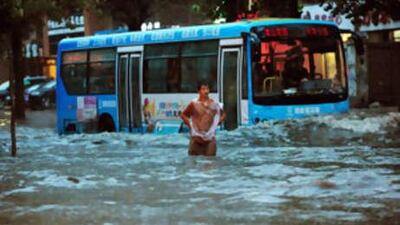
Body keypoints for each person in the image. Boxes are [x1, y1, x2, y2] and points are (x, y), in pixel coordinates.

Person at [180, 81, 226, 156]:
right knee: (192, 164)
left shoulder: (214, 104)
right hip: (196, 139)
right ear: (199, 91)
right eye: (203, 89)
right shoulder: (194, 103)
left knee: (211, 163)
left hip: (210, 139)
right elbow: (183, 115)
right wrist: (190, 125)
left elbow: (223, 115)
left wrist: (216, 123)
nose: (206, 91)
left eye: (207, 89)